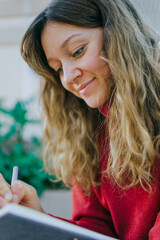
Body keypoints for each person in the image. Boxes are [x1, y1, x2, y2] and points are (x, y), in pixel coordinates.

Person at [0, 0, 160, 239]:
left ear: (117, 34)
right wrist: (37, 218)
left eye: (77, 51)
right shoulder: (87, 130)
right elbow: (96, 228)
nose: (68, 78)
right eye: (58, 69)